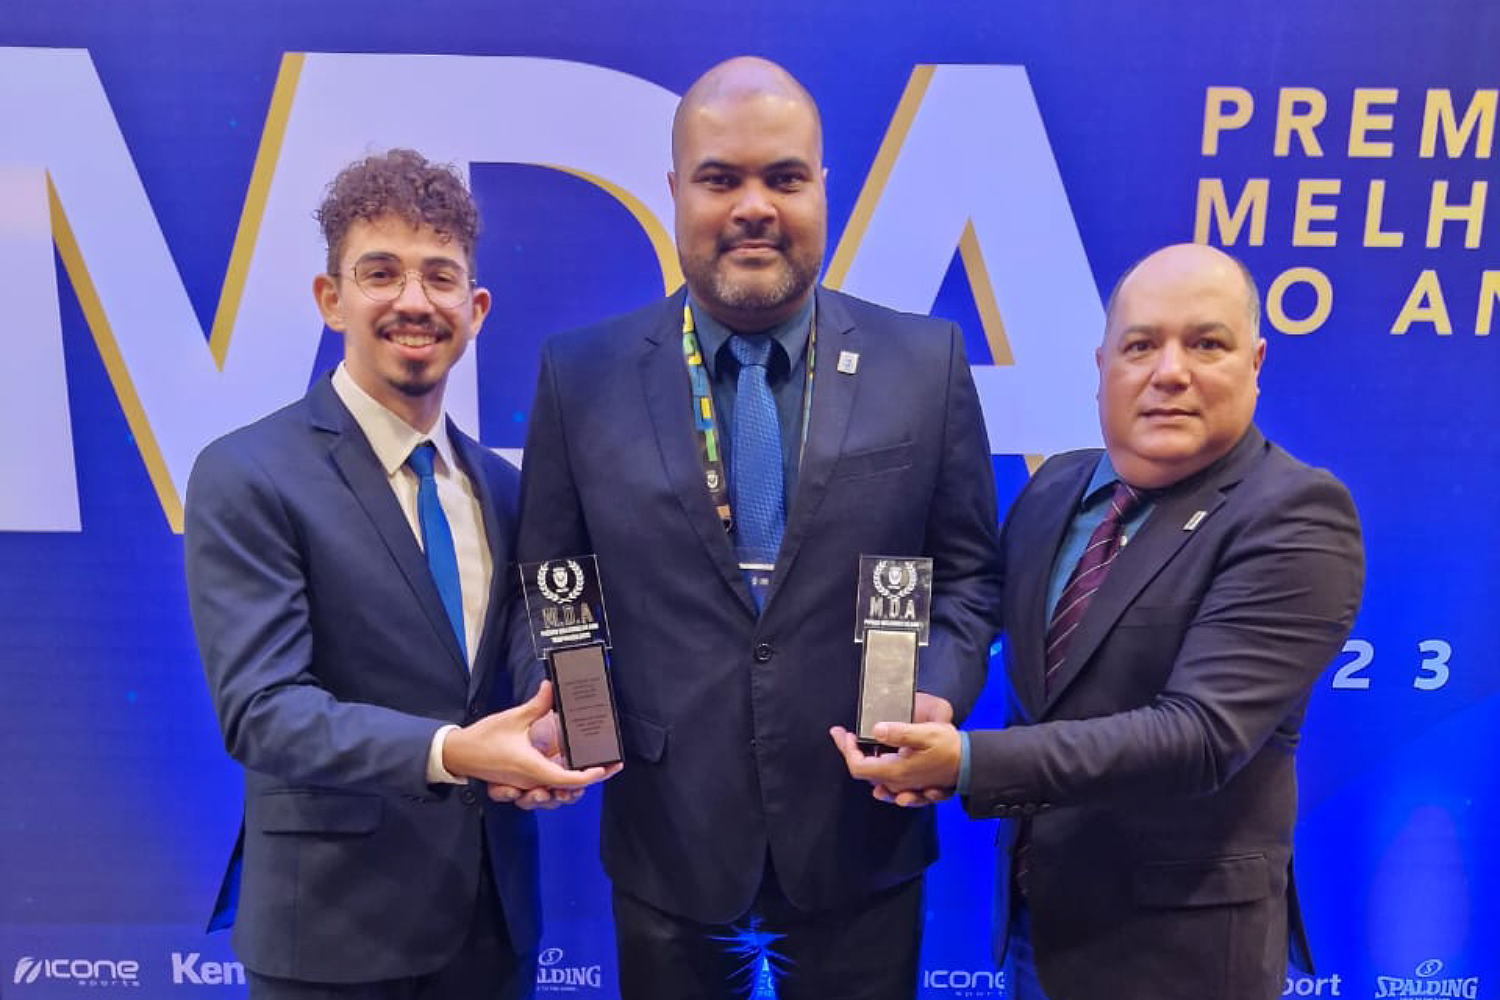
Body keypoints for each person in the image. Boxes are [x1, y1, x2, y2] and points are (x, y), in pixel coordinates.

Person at [514, 57, 1001, 999]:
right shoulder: (581, 375)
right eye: (720, 178)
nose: (753, 206)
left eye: (783, 178)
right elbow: (552, 585)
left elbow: (971, 577)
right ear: (673, 193)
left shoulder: (926, 363)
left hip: (863, 833)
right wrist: (562, 709)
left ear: (824, 188)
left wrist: (937, 690)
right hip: (669, 844)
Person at [833, 242, 1365, 1000]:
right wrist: (930, 702)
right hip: (1035, 931)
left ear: (1256, 361)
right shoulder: (1056, 488)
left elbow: (1200, 736)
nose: (1169, 371)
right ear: (1103, 365)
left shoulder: (1296, 515)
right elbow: (987, 622)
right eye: (1141, 345)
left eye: (1205, 343)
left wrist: (968, 763)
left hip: (1180, 956)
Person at [184, 148, 614, 1000]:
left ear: (476, 308)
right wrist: (453, 752)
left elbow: (540, 647)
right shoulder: (248, 473)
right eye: (380, 272)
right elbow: (263, 711)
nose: (414, 301)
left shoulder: (505, 487)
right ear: (330, 296)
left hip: (494, 933)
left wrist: (559, 727)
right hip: (335, 941)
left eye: (440, 277)